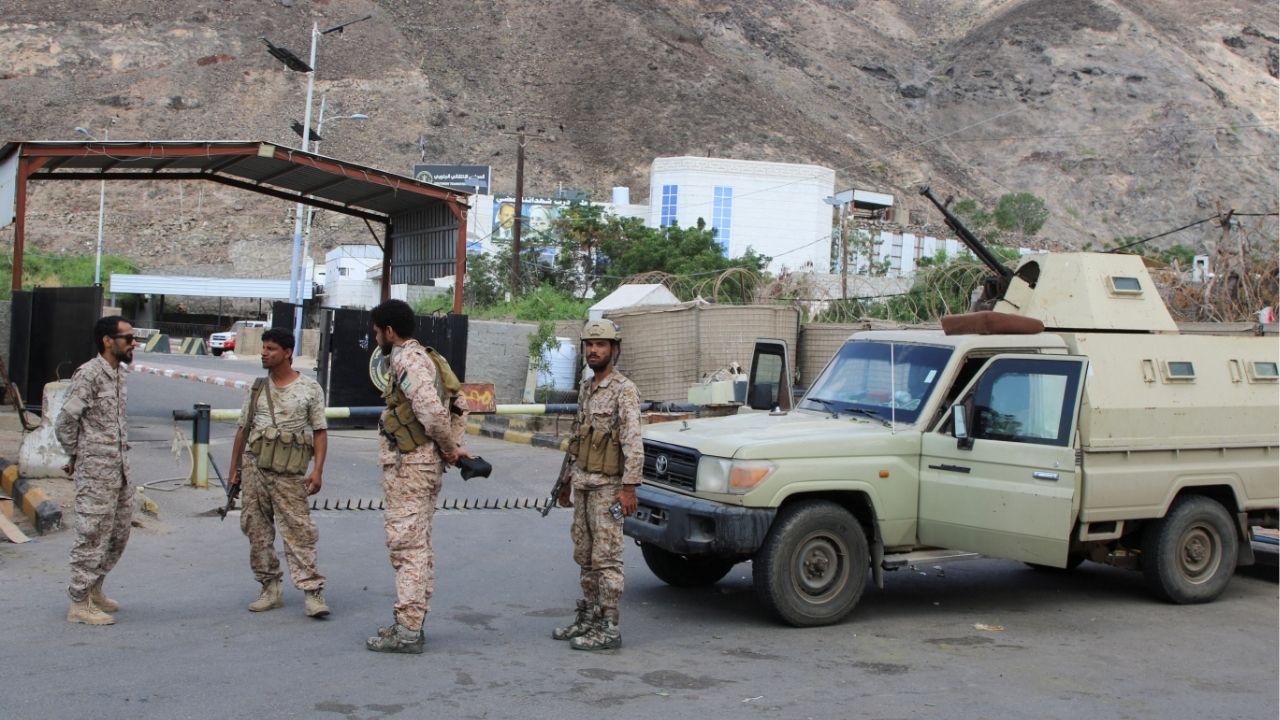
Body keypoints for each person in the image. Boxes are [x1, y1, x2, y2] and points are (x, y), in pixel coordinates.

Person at [366, 299, 472, 654]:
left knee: (407, 546)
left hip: (411, 466)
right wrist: (451, 446)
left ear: (389, 332)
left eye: (377, 330)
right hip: (421, 464)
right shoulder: (426, 357)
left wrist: (449, 448)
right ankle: (411, 622)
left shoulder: (407, 359)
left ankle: (408, 630)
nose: (375, 335)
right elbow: (459, 402)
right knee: (418, 546)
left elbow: (431, 409)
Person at [227, 328, 330, 618]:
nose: (264, 353)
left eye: (271, 349)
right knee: (256, 529)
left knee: (299, 531)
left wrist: (317, 470)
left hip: (289, 473)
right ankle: (269, 587)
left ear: (287, 353)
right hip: (255, 468)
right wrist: (233, 471)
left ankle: (312, 593)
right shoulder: (258, 387)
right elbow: (243, 429)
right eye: (263, 348)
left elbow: (320, 432)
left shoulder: (309, 389)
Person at [552, 318, 642, 651]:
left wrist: (630, 488)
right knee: (585, 555)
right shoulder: (587, 388)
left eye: (600, 344)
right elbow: (577, 439)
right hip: (583, 484)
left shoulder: (624, 390)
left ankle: (609, 625)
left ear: (613, 350)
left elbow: (633, 441)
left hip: (609, 488)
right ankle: (588, 617)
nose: (593, 350)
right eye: (589, 344)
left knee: (607, 557)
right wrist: (564, 482)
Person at [56, 315, 138, 626]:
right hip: (95, 474)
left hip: (119, 471)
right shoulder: (89, 375)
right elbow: (65, 422)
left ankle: (95, 589)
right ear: (108, 341)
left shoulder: (119, 375)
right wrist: (78, 455)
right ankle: (79, 602)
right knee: (91, 536)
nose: (133, 344)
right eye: (128, 338)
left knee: (117, 535)